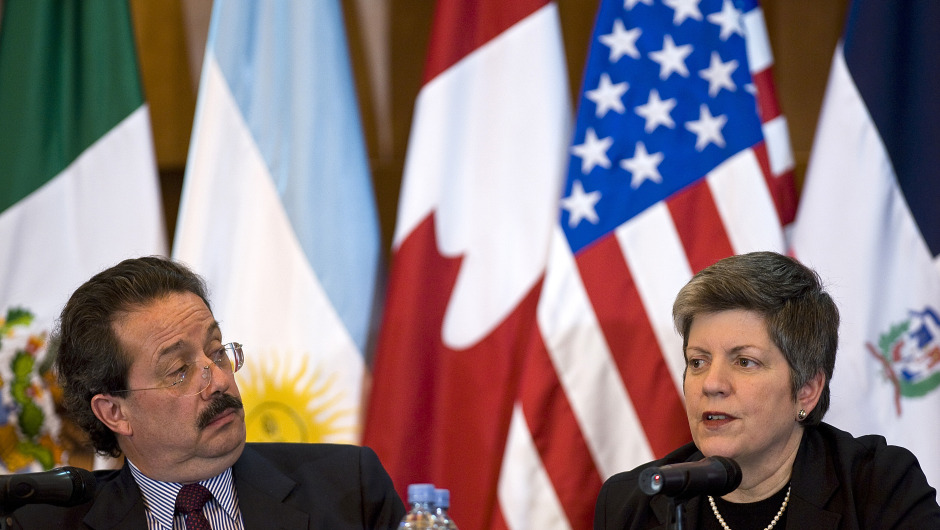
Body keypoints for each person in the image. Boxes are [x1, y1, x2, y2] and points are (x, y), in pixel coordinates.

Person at [10, 256, 406, 529]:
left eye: (216, 352)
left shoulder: (348, 490)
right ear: (115, 412)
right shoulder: (45, 524)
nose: (218, 379)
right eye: (178, 371)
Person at [594, 251, 940, 529]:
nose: (711, 384)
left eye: (744, 362)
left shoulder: (877, 487)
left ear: (806, 390)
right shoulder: (631, 504)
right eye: (698, 362)